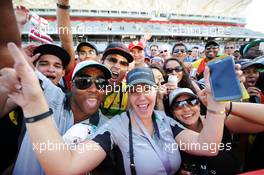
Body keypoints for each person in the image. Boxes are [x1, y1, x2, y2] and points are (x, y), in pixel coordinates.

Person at [3, 43, 231, 174]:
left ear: (156, 90)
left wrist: (216, 104)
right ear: (126, 93)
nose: (141, 96)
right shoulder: (114, 127)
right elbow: (65, 167)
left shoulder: (165, 121)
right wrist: (34, 105)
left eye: (146, 88)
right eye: (134, 90)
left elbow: (209, 147)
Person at [0, 55, 112, 174]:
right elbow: (13, 59)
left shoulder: (106, 128)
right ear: (72, 85)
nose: (94, 89)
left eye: (101, 83)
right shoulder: (49, 95)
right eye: (84, 82)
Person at [169, 87, 264, 174]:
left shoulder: (219, 120)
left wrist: (222, 104)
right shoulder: (170, 134)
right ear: (173, 113)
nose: (186, 109)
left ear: (199, 105)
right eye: (178, 105)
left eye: (192, 102)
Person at [100, 42, 134, 117]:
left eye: (123, 63)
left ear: (127, 69)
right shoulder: (86, 86)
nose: (117, 66)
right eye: (112, 60)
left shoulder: (130, 93)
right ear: (102, 61)